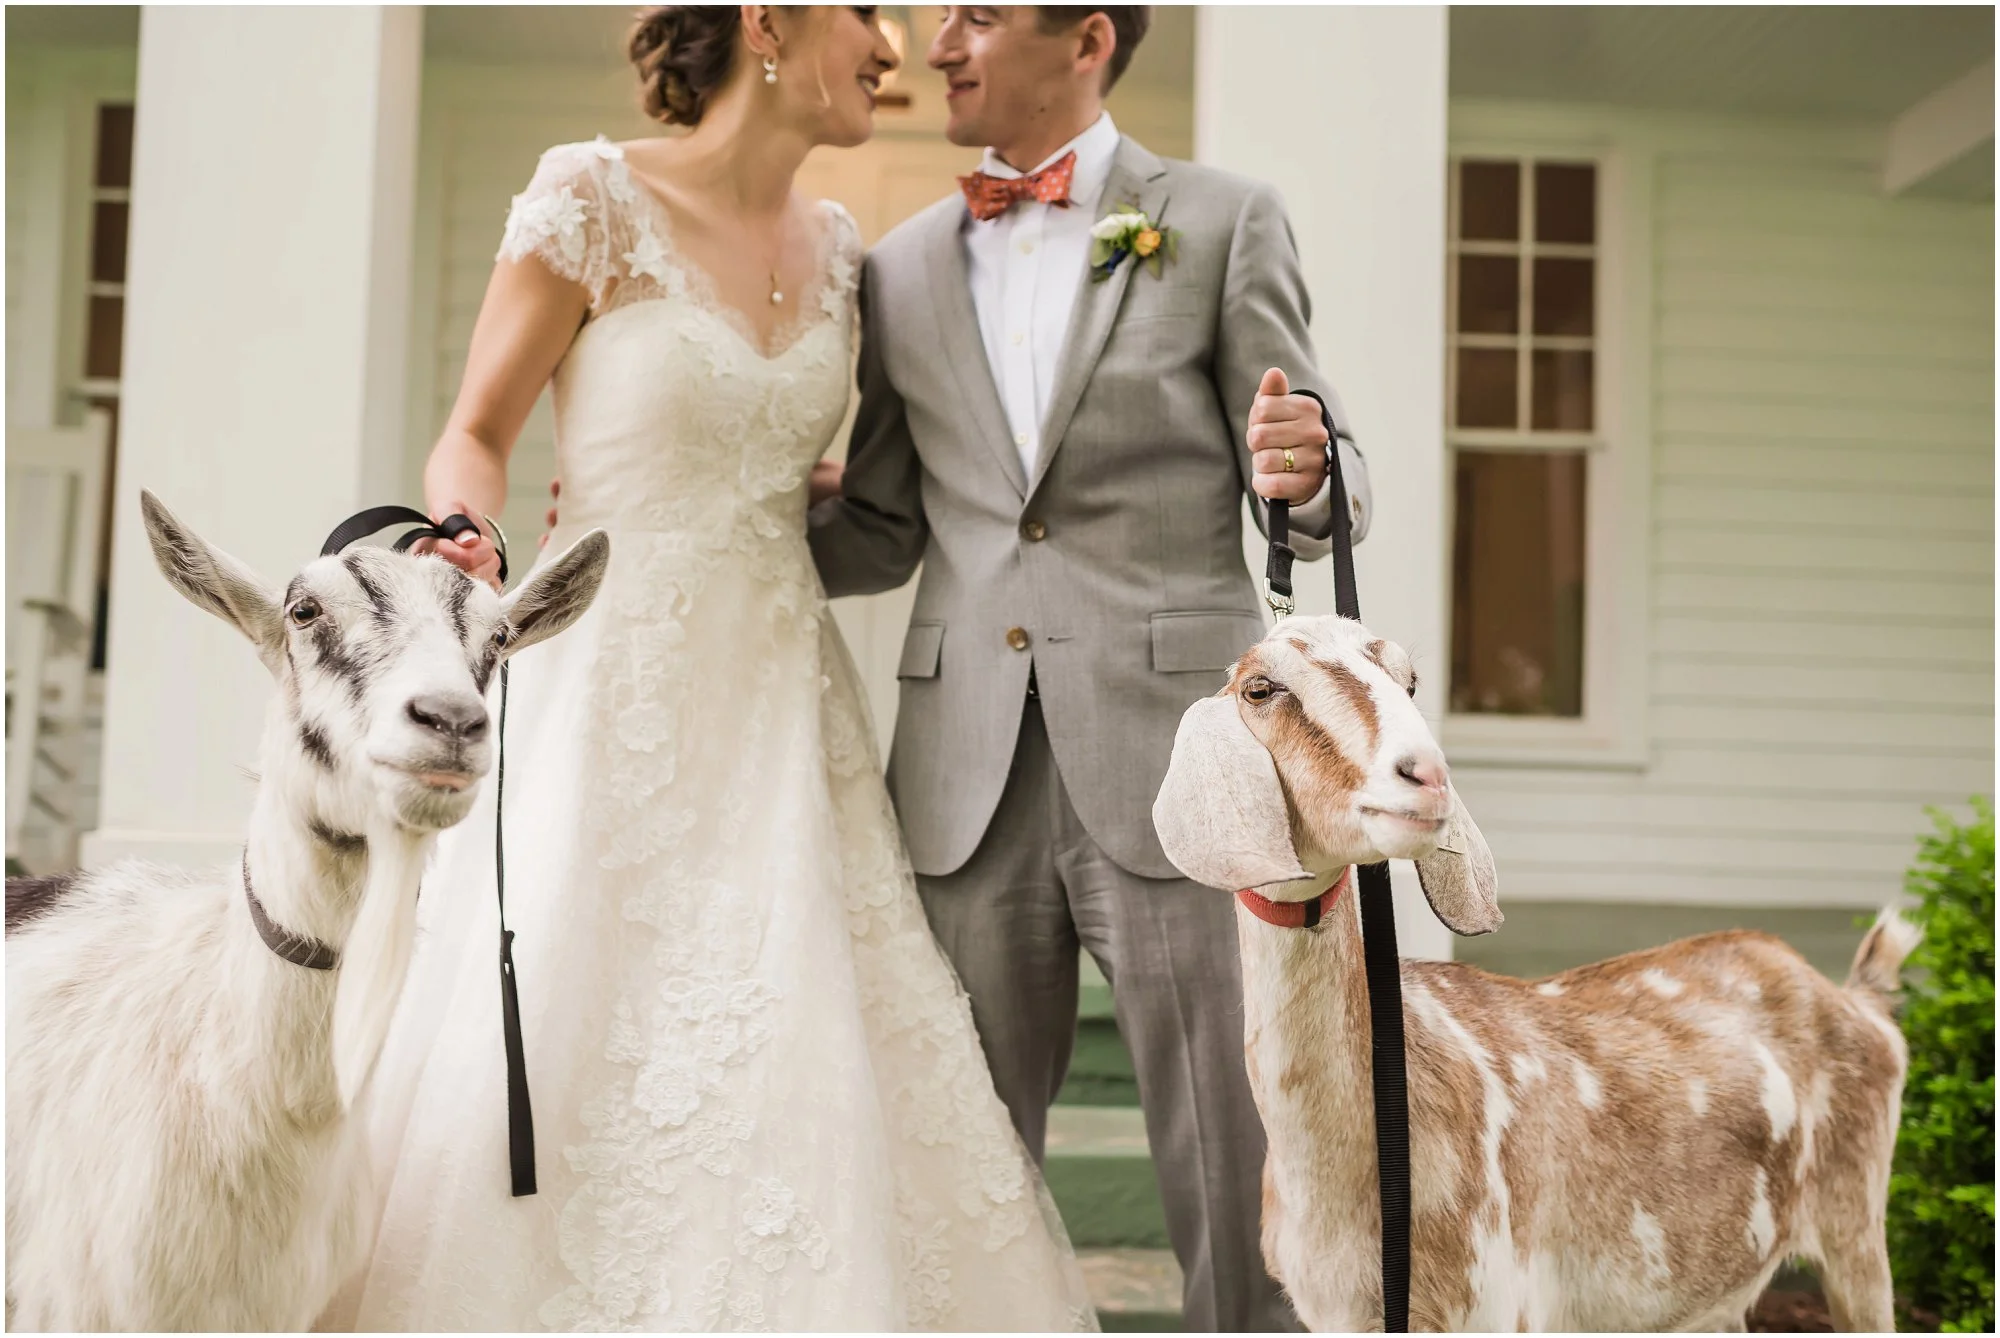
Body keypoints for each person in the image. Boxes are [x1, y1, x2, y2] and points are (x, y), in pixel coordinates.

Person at [330, 7, 1097, 1329]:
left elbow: (814, 477)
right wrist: (468, 537)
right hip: (602, 686)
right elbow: (476, 432)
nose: (894, 46)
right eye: (866, 11)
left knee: (789, 1031)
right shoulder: (590, 198)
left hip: (783, 711)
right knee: (574, 1005)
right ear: (767, 20)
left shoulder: (849, 253)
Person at [802, 7, 1369, 1331]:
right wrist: (713, 521)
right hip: (961, 776)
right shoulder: (899, 267)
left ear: (1087, 39)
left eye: (979, 14)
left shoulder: (1223, 222)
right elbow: (882, 526)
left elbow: (1311, 480)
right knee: (958, 1156)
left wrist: (1308, 474)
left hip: (1184, 765)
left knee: (1238, 1150)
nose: (940, 42)